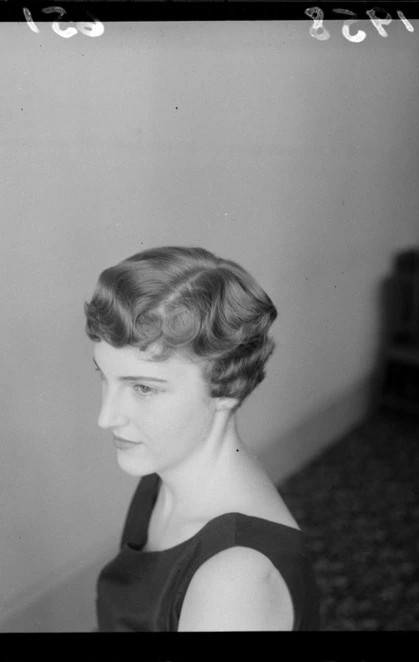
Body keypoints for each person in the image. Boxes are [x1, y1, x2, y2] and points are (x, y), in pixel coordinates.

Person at [84, 246, 320, 631]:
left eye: (143, 388)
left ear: (227, 386)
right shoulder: (160, 476)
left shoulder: (234, 580)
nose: (105, 418)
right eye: (104, 378)